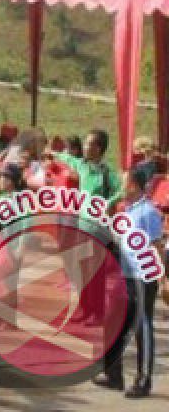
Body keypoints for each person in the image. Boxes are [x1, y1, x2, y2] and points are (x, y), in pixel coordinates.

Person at [96, 168, 163, 399]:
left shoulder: (148, 212)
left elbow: (156, 247)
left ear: (133, 186)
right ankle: (114, 375)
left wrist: (162, 279)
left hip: (143, 277)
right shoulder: (128, 210)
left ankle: (143, 381)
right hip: (124, 275)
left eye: (124, 183)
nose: (120, 188)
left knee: (142, 328)